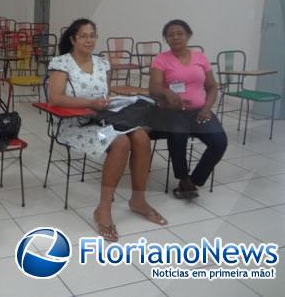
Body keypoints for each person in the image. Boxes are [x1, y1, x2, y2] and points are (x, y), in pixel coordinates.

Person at [47, 19, 166, 242]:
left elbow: (105, 90)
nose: (89, 40)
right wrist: (90, 103)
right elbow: (55, 98)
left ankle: (138, 200)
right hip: (76, 126)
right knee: (121, 142)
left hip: (104, 120)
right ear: (73, 39)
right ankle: (103, 209)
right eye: (83, 36)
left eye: (92, 35)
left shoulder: (102, 63)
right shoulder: (61, 63)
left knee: (140, 136)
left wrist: (131, 95)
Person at [149, 19, 227, 199]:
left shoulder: (200, 57)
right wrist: (167, 92)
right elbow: (154, 88)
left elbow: (212, 87)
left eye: (180, 33)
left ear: (188, 35)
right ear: (166, 39)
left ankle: (195, 180)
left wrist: (207, 108)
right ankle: (183, 178)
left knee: (219, 142)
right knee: (177, 135)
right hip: (172, 111)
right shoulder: (161, 59)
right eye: (170, 35)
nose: (175, 37)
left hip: (200, 111)